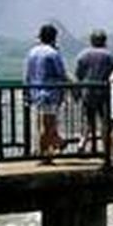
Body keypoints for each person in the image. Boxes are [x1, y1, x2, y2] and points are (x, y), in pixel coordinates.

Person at [24, 24, 68, 163]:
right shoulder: (53, 53)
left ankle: (51, 146)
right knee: (48, 125)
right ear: (54, 38)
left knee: (43, 124)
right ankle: (45, 155)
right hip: (50, 94)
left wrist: (27, 92)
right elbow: (61, 74)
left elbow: (27, 75)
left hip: (35, 93)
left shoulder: (32, 52)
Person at [74, 30, 113, 154]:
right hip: (104, 93)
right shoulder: (111, 57)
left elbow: (78, 75)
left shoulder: (83, 55)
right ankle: (107, 150)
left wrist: (78, 92)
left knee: (87, 120)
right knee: (105, 122)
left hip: (87, 92)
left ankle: (82, 144)